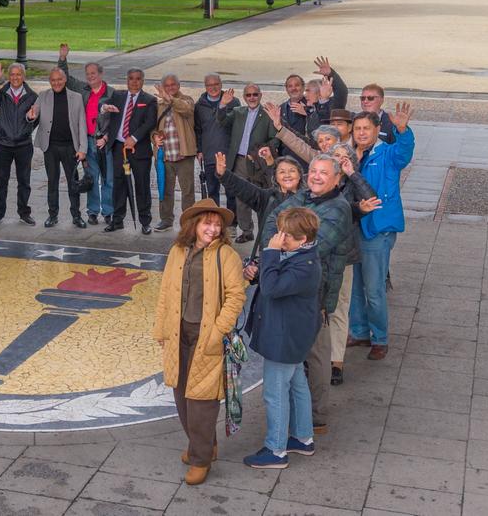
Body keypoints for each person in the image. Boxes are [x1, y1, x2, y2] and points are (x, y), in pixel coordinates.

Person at [260, 155, 378, 425]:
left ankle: (317, 416)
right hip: (295, 287)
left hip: (317, 295)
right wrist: (278, 242)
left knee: (316, 356)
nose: (315, 176)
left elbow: (311, 246)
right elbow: (272, 221)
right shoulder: (303, 196)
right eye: (313, 170)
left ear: (337, 179)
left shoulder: (338, 208)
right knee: (299, 356)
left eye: (323, 173)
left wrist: (278, 247)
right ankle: (301, 413)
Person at [151, 199, 246, 487]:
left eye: (217, 225)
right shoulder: (178, 251)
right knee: (181, 395)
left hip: (208, 336)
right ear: (193, 225)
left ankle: (201, 458)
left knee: (201, 401)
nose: (213, 229)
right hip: (178, 333)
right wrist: (160, 327)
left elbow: (236, 296)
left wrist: (218, 331)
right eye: (208, 223)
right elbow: (166, 290)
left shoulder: (227, 255)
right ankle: (205, 444)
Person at [243, 207, 322, 470]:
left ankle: (276, 450)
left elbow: (273, 288)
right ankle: (302, 436)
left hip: (284, 338)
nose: (280, 238)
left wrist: (270, 253)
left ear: (303, 240)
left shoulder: (305, 266)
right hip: (293, 336)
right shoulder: (300, 255)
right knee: (298, 384)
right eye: (280, 232)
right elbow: (270, 279)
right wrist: (259, 269)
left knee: (275, 393)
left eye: (287, 235)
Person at [347, 102, 416, 360]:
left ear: (377, 130)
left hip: (377, 229)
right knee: (354, 286)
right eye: (357, 129)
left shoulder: (386, 154)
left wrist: (403, 129)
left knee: (373, 288)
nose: (362, 133)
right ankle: (359, 331)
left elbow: (404, 153)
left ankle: (380, 338)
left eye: (366, 128)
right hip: (353, 227)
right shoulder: (350, 156)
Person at [59, 44, 114, 224]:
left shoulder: (112, 93)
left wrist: (106, 137)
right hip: (88, 141)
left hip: (104, 142)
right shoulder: (84, 89)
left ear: (101, 74)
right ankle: (93, 211)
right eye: (88, 74)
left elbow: (117, 122)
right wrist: (63, 58)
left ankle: (108, 211)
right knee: (91, 176)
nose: (90, 76)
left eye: (93, 73)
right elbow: (64, 78)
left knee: (108, 177)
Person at [215, 151, 304, 262]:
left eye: (292, 171)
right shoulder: (267, 198)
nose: (287, 175)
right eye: (282, 172)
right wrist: (224, 174)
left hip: (298, 262)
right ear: (275, 177)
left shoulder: (307, 201)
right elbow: (244, 188)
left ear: (300, 175)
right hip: (269, 260)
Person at [102, 68, 157, 234]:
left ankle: (145, 221)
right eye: (131, 78)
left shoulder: (149, 100)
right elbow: (102, 103)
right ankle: (117, 220)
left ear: (143, 81)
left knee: (142, 185)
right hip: (119, 148)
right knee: (118, 185)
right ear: (127, 80)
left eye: (138, 79)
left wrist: (134, 137)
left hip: (138, 149)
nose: (134, 82)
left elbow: (149, 122)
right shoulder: (118, 96)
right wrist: (104, 107)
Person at [30, 67, 87, 228]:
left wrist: (82, 148)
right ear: (50, 81)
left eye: (59, 79)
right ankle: (52, 215)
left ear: (65, 80)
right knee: (52, 182)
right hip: (50, 147)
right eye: (53, 80)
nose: (56, 83)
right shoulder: (43, 96)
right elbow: (33, 114)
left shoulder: (76, 98)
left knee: (73, 183)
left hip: (71, 147)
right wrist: (30, 116)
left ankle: (76, 216)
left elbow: (82, 124)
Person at [223, 84, 278, 242]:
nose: (252, 98)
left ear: (260, 95)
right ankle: (247, 231)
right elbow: (221, 121)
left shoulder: (267, 114)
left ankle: (264, 232)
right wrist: (222, 105)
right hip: (240, 160)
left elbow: (275, 138)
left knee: (263, 198)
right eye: (248, 95)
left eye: (255, 94)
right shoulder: (237, 112)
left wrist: (264, 152)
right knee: (241, 198)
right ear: (244, 97)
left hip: (259, 163)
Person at [0, 62, 38, 226]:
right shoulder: (2, 93)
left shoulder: (32, 96)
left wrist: (29, 120)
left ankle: (24, 212)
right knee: (1, 180)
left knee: (24, 181)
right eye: (12, 74)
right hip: (3, 144)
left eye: (19, 74)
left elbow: (36, 120)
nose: (15, 77)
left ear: (24, 76)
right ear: (9, 77)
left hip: (23, 145)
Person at [151, 74, 196, 231]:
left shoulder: (187, 100)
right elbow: (153, 128)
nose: (170, 88)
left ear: (179, 85)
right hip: (165, 156)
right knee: (165, 189)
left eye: (173, 84)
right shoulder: (159, 105)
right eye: (167, 85)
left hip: (184, 154)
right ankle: (166, 219)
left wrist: (170, 100)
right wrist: (154, 138)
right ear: (163, 87)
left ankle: (188, 221)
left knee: (188, 191)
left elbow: (186, 110)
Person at [193, 74, 238, 208]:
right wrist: (199, 150)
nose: (213, 88)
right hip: (209, 154)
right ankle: (214, 220)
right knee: (212, 191)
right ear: (205, 86)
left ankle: (232, 223)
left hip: (228, 154)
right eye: (209, 85)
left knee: (231, 191)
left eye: (216, 84)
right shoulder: (199, 106)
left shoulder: (234, 102)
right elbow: (198, 129)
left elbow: (237, 127)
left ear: (221, 84)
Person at [278, 75, 320, 139]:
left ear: (303, 87)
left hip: (306, 146)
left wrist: (307, 113)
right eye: (290, 86)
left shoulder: (313, 104)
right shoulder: (281, 108)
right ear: (286, 89)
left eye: (297, 85)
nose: (293, 88)